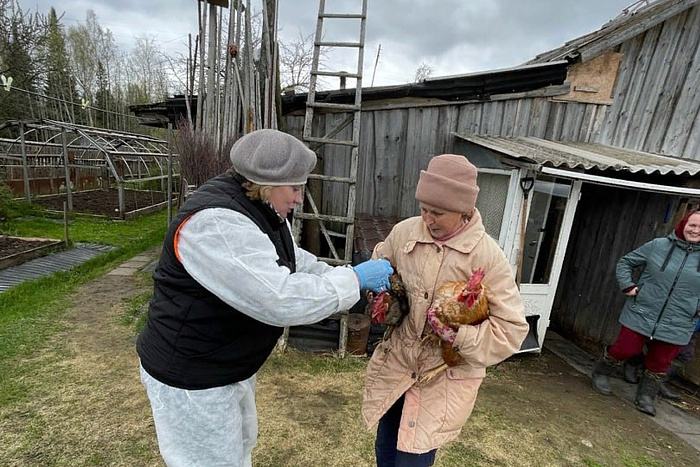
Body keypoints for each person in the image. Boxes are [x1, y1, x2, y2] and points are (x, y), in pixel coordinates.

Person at [136, 129, 394, 467]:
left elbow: (291, 259)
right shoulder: (216, 224)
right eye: (295, 188)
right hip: (193, 374)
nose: (299, 198)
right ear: (266, 183)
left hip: (226, 363)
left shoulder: (262, 208)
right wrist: (353, 278)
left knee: (238, 450)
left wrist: (344, 275)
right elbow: (279, 299)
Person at [361, 154, 529, 467]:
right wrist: (384, 297)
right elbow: (381, 267)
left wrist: (457, 334)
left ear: (464, 210)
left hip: (442, 378)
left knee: (412, 459)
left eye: (438, 212)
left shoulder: (488, 257)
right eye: (424, 209)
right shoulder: (405, 233)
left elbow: (512, 330)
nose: (428, 219)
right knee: (385, 453)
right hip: (397, 366)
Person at [591, 208, 700, 416]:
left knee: (660, 362)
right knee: (625, 349)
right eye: (692, 225)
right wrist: (628, 286)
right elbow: (626, 262)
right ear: (683, 224)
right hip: (642, 310)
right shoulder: (659, 245)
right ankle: (601, 372)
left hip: (680, 319)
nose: (695, 231)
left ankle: (646, 395)